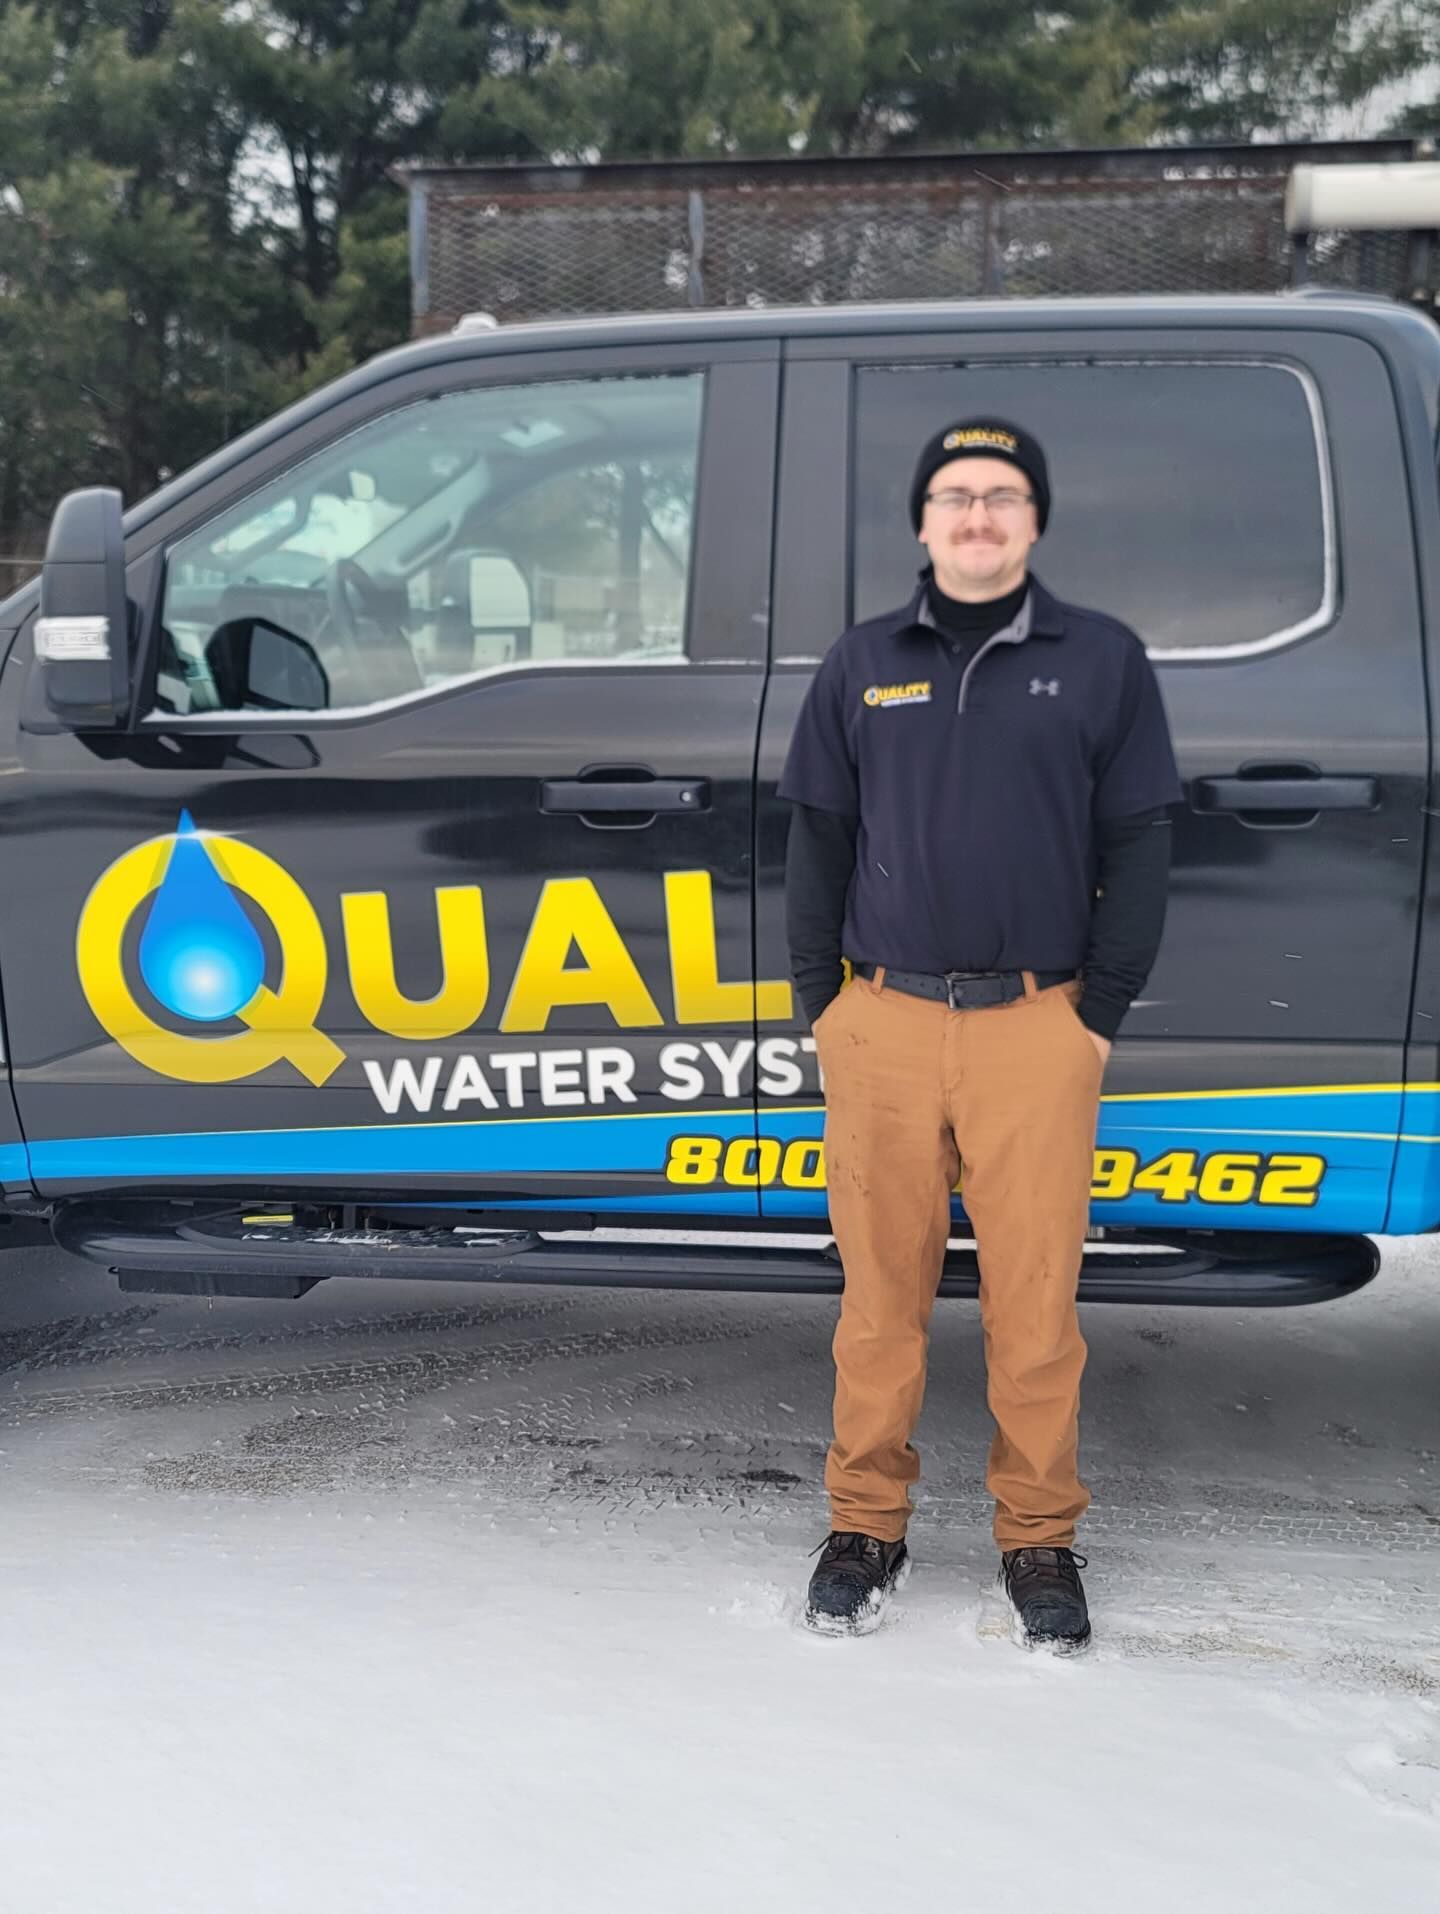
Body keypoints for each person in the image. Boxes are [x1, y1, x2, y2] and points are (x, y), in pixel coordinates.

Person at [779, 418, 1182, 1647]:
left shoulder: (1101, 661)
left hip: (1034, 1029)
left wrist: (1095, 1018)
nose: (978, 515)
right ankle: (865, 1525)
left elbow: (1142, 847)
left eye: (1002, 494)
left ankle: (1038, 1539)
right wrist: (823, 1008)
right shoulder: (862, 663)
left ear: (1034, 519)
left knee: (1036, 1308)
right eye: (955, 494)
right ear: (923, 521)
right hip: (884, 1023)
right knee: (878, 1303)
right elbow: (817, 843)